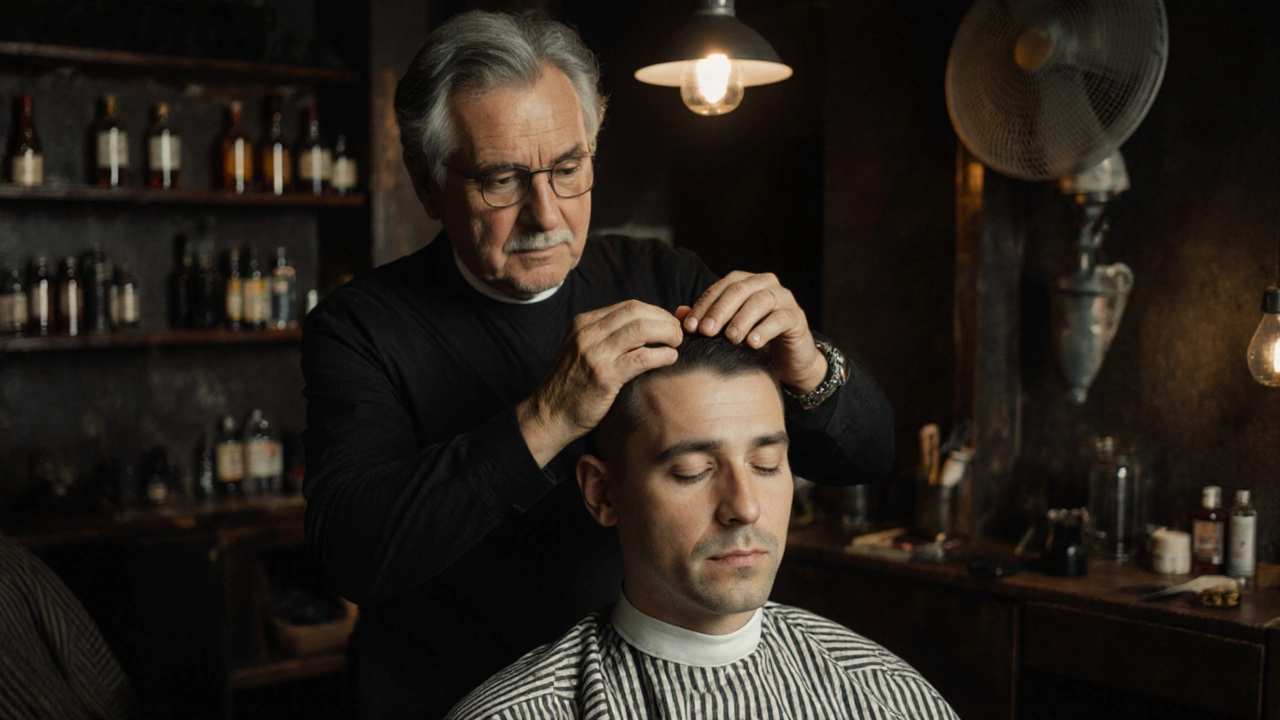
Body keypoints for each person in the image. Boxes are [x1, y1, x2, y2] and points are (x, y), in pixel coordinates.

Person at [301, 10, 894, 717]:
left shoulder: (662, 277)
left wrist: (809, 369)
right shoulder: (361, 327)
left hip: (638, 688)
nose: (544, 213)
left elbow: (871, 452)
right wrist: (547, 418)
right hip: (446, 697)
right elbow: (352, 555)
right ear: (428, 184)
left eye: (568, 169)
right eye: (501, 180)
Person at [445, 335, 955, 720]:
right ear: (602, 493)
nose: (745, 507)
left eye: (766, 464)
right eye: (693, 472)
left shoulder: (887, 694)